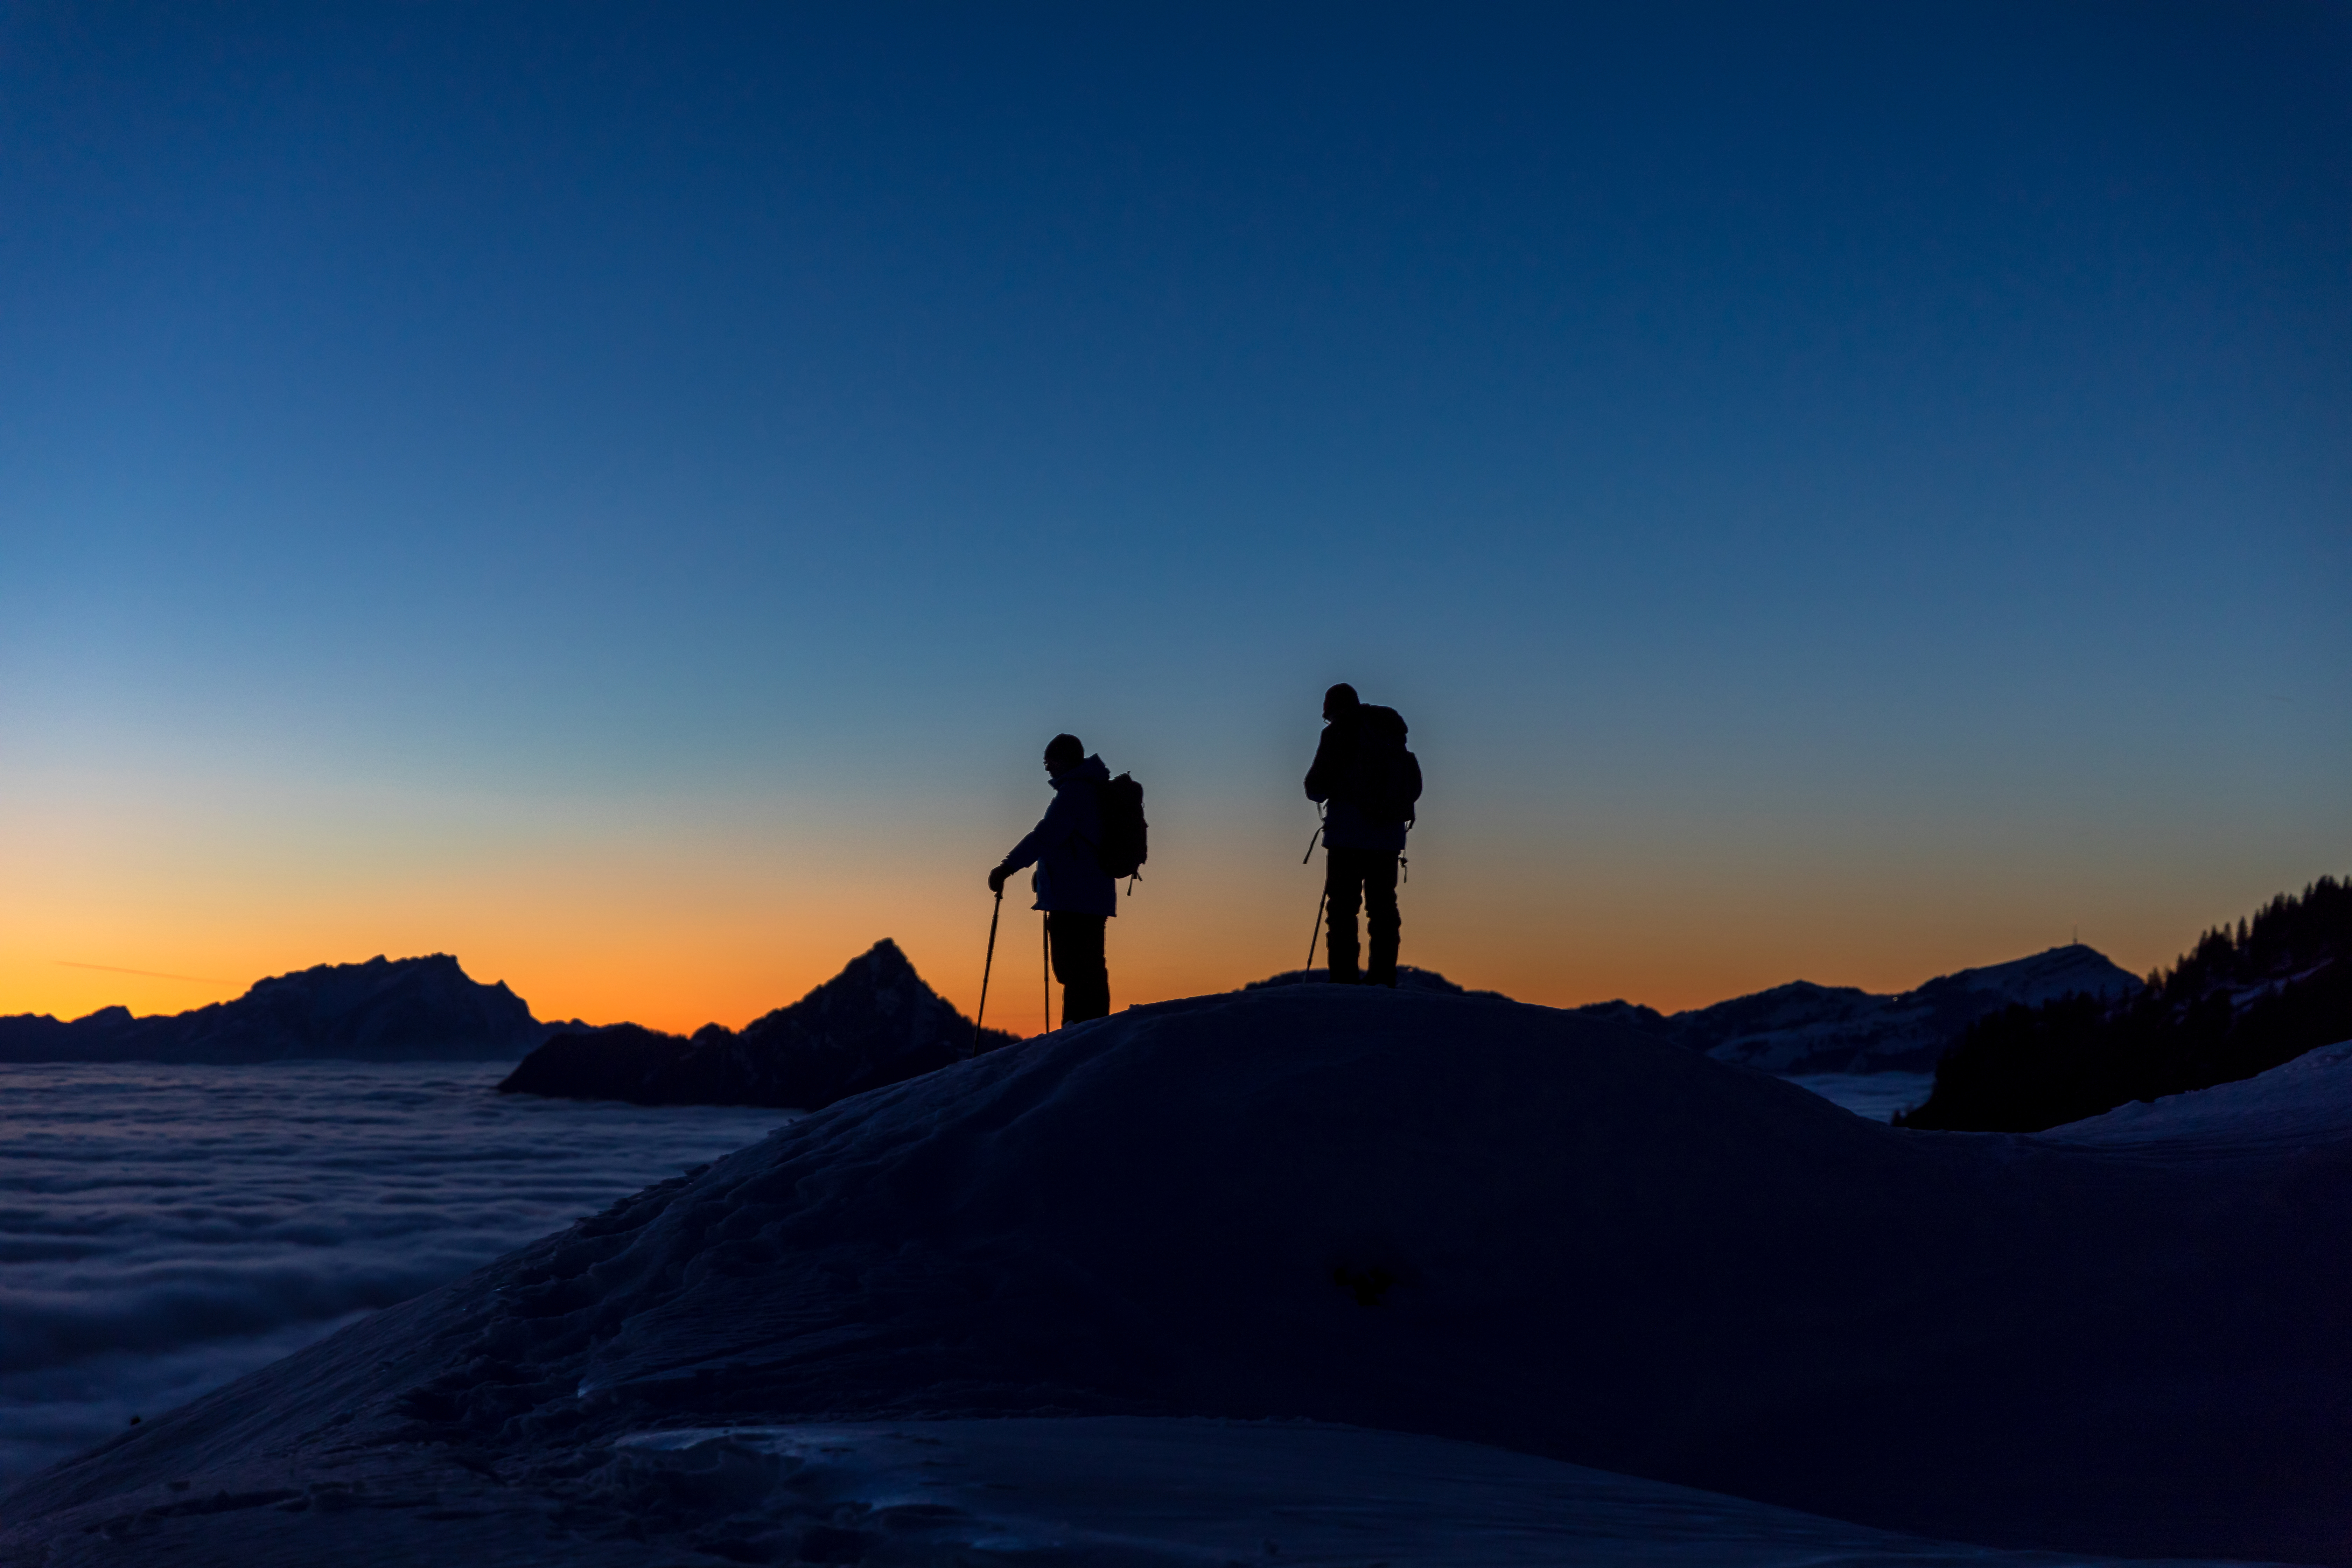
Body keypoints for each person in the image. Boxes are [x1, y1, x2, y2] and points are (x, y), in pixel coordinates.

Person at [989, 733, 1115, 1026]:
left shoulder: (1074, 793)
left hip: (1074, 899)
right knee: (1088, 965)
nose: (1047, 768)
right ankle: (1090, 1026)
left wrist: (1007, 867)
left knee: (1075, 968)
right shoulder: (1092, 789)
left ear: (1063, 760)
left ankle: (1081, 1028)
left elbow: (1045, 836)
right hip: (1090, 894)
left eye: (1049, 761)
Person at [1304, 683, 1419, 987]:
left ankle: (1343, 979)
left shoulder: (1338, 733)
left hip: (1347, 836)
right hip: (1388, 837)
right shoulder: (1391, 734)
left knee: (1342, 908)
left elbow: (1315, 785)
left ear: (1333, 710)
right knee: (1383, 907)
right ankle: (1383, 976)